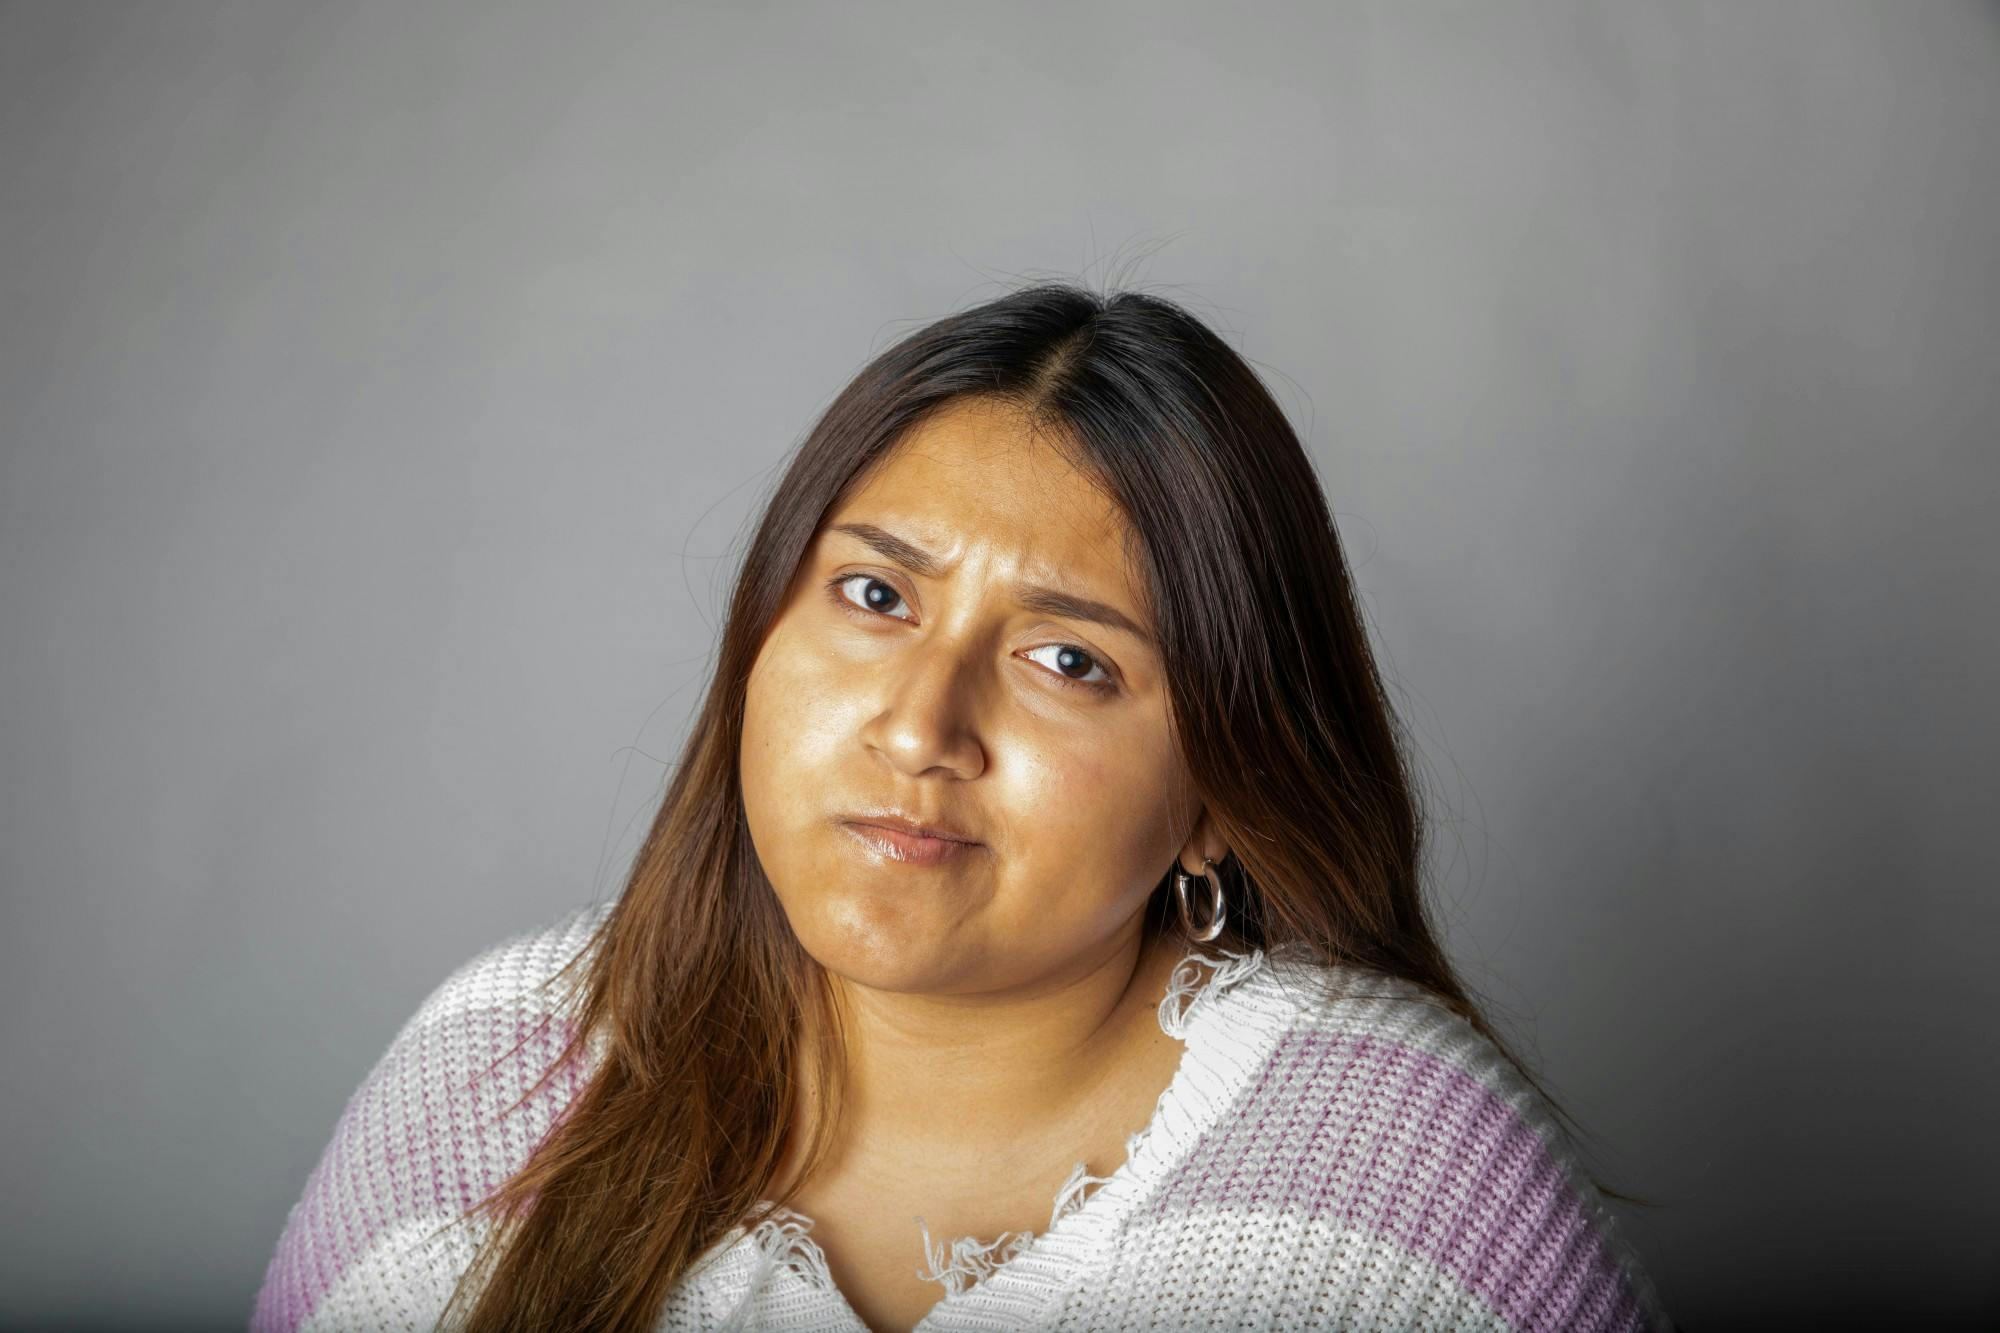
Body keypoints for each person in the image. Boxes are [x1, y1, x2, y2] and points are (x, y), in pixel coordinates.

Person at [251, 283, 1673, 1332]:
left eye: (1070, 660)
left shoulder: (1398, 1181)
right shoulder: (490, 1080)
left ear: (1220, 794)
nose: (923, 724)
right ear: (759, 637)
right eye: (874, 596)